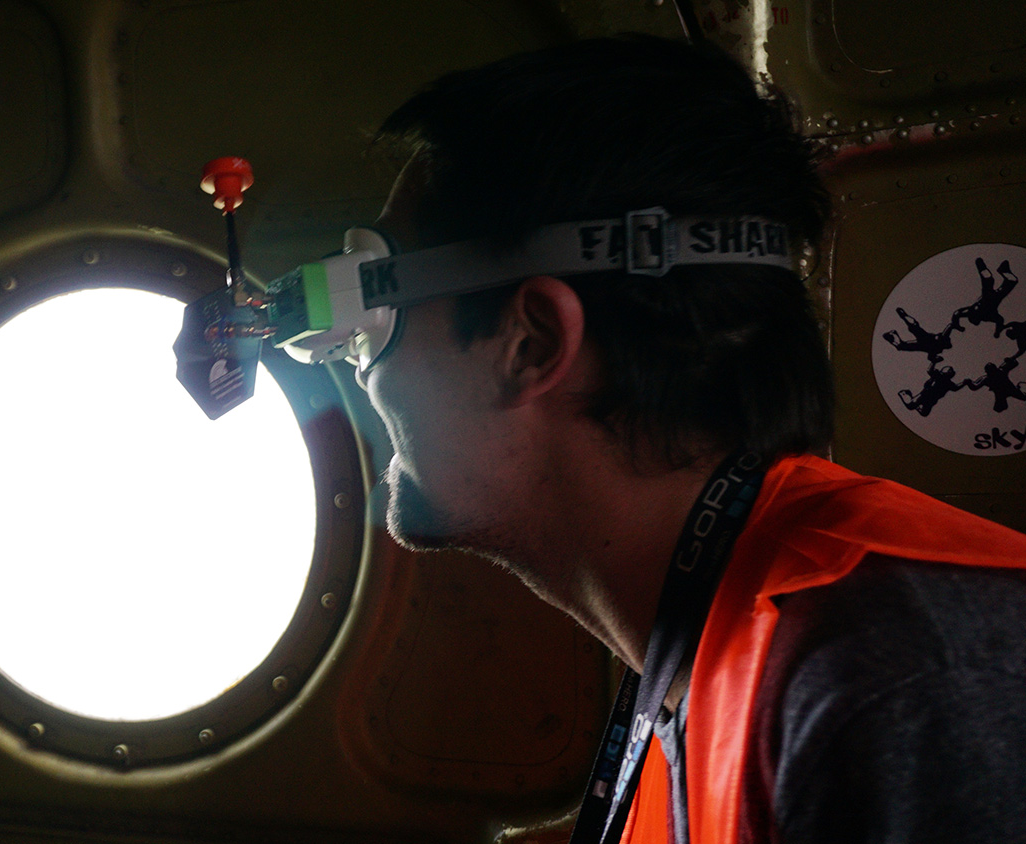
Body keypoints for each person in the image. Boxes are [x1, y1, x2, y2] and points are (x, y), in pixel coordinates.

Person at [357, 36, 1026, 844]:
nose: (356, 363)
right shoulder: (703, 677)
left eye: (378, 311)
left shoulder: (902, 680)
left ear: (532, 343)